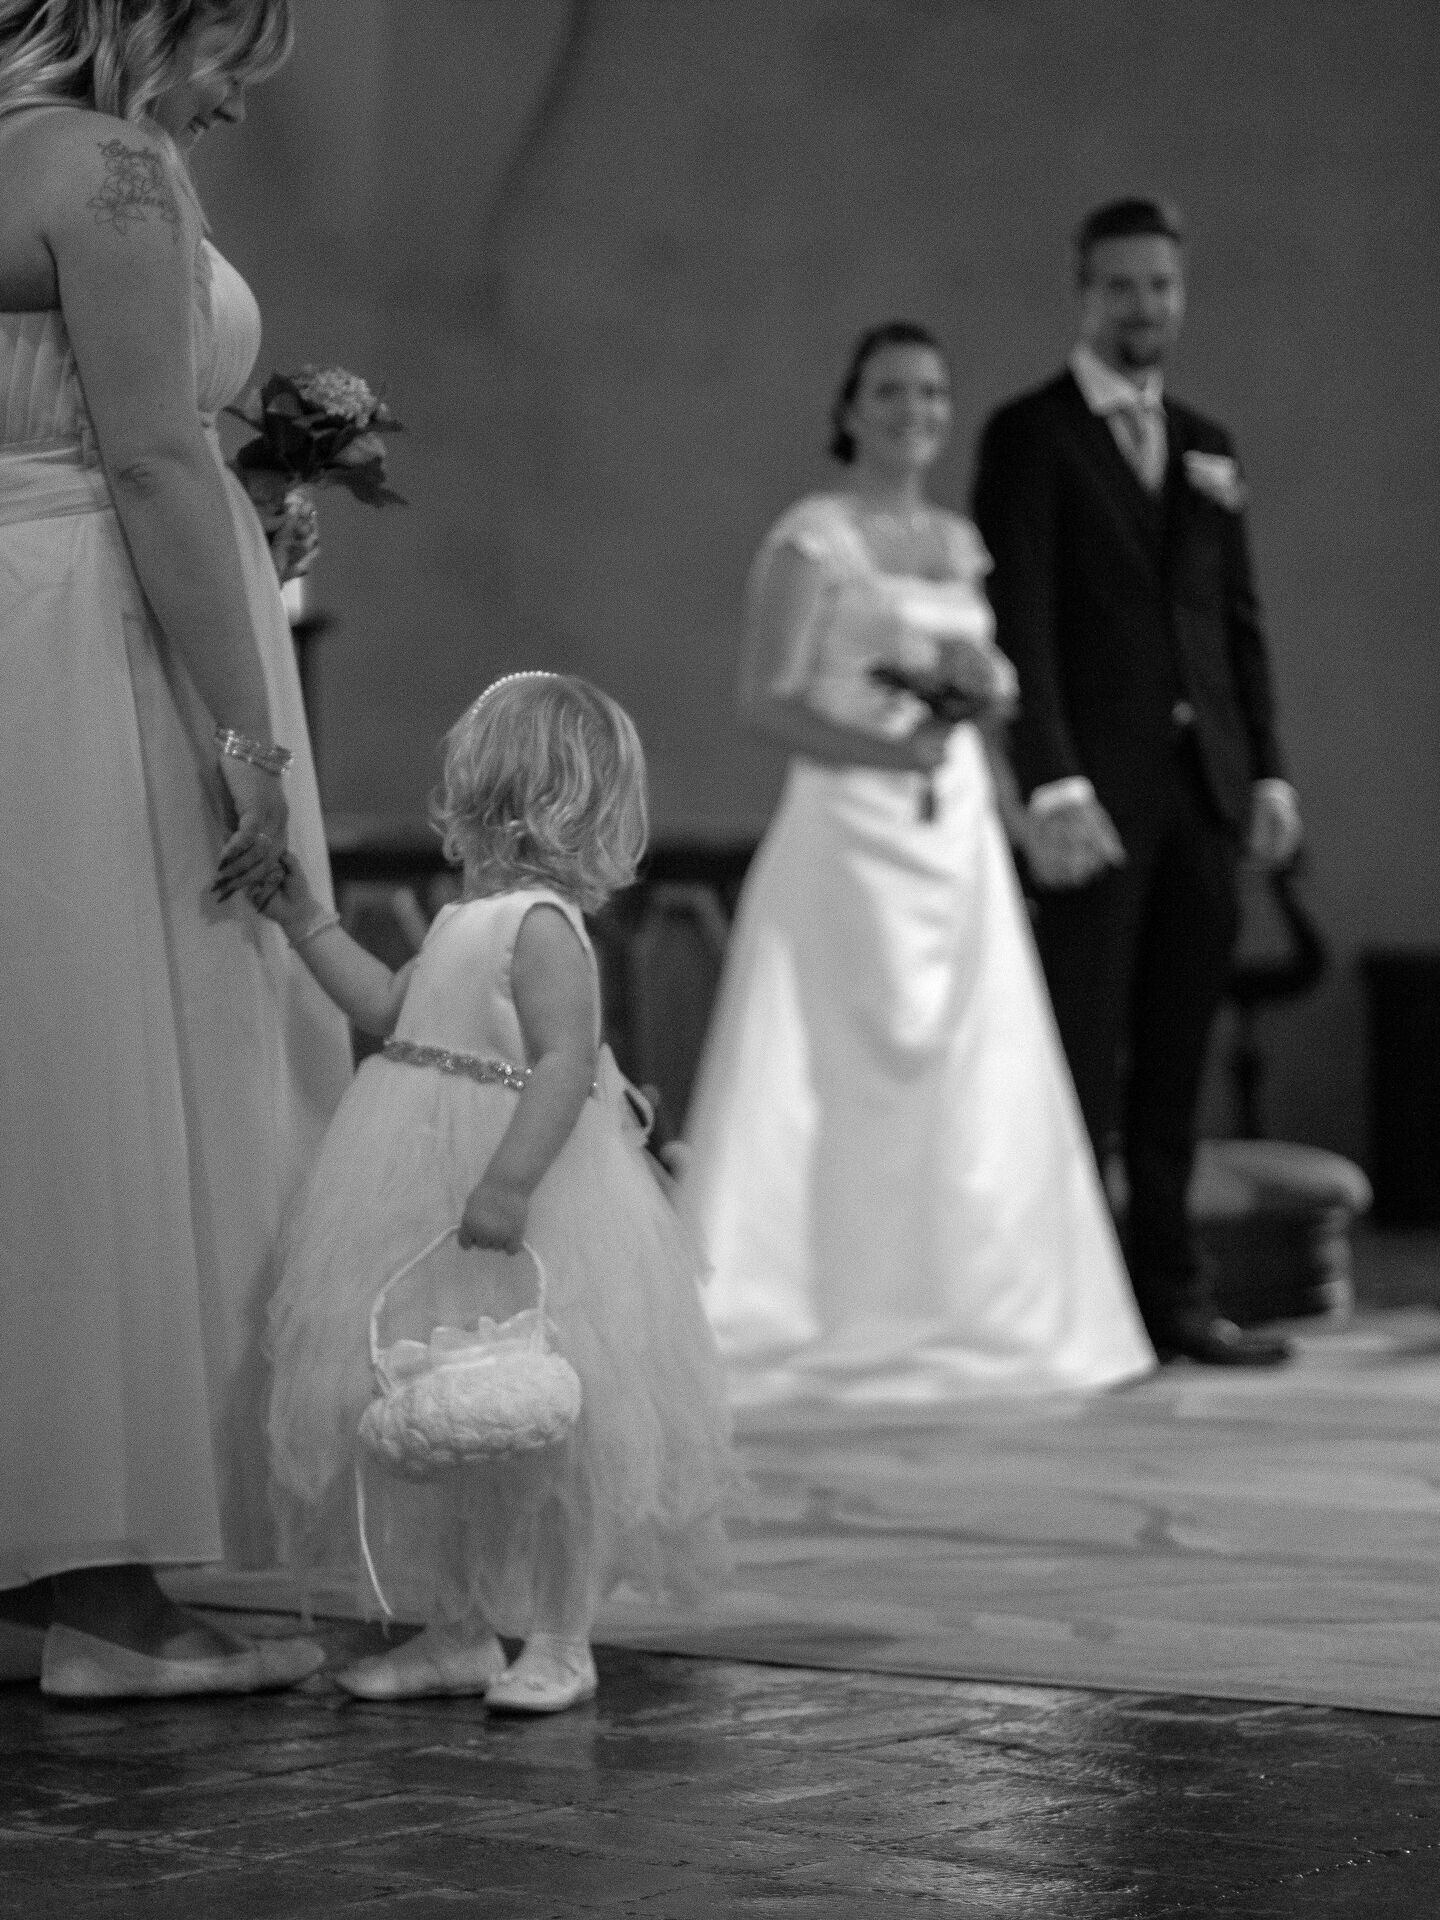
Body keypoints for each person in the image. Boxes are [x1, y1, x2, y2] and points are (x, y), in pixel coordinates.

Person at [0, 0, 353, 1698]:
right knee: (111, 1081)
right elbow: (145, 462)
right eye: (230, 59)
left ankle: (32, 1575)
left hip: (28, 622)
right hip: (93, 653)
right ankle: (111, 1607)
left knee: (38, 1085)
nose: (232, 105)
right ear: (156, 22)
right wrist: (249, 745)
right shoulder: (106, 165)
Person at [679, 321, 1155, 1405]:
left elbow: (991, 715)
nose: (915, 411)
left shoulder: (958, 542)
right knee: (841, 1067)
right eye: (891, 391)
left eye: (933, 393)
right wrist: (892, 752)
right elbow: (766, 701)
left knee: (972, 1065)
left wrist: (1017, 812)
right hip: (848, 836)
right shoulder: (812, 540)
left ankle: (979, 1308)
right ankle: (812, 1306)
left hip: (958, 840)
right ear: (850, 408)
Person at [262, 673, 734, 1713]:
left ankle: (560, 1638)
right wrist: (304, 919)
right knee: (446, 1417)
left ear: (506, 795)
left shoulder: (542, 925)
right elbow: (390, 1007)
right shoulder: (463, 920)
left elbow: (564, 1062)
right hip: (420, 1188)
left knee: (552, 1418)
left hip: (529, 1191)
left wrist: (509, 1183)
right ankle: (458, 1630)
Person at [971, 198, 1304, 1367]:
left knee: (1175, 1059)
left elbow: (1235, 625)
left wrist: (1267, 772)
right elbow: (1022, 619)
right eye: (1120, 285)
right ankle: (1070, 1303)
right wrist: (1052, 783)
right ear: (1084, 292)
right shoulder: (1032, 434)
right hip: (1095, 804)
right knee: (1080, 1052)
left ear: (1181, 292)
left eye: (1161, 284)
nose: (1143, 305)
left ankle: (1172, 1299)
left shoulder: (1209, 441)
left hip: (1204, 795)